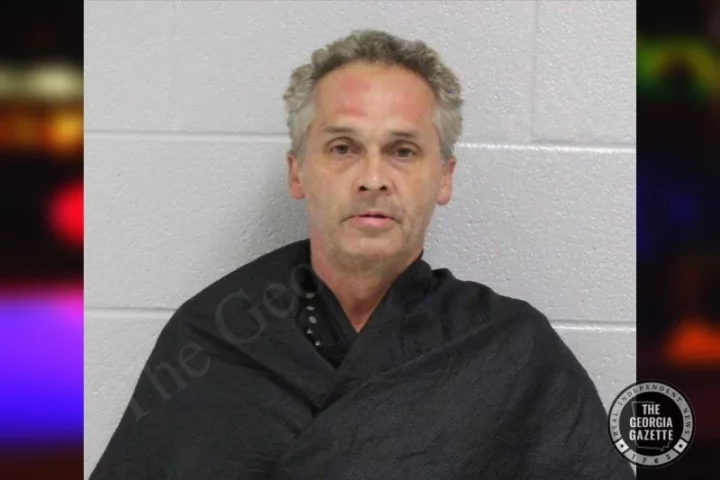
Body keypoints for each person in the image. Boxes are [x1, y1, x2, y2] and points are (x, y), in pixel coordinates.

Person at [89, 29, 635, 479]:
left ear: (444, 177)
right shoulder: (212, 339)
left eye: (403, 151)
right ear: (298, 172)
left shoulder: (510, 352)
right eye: (343, 148)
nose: (373, 178)